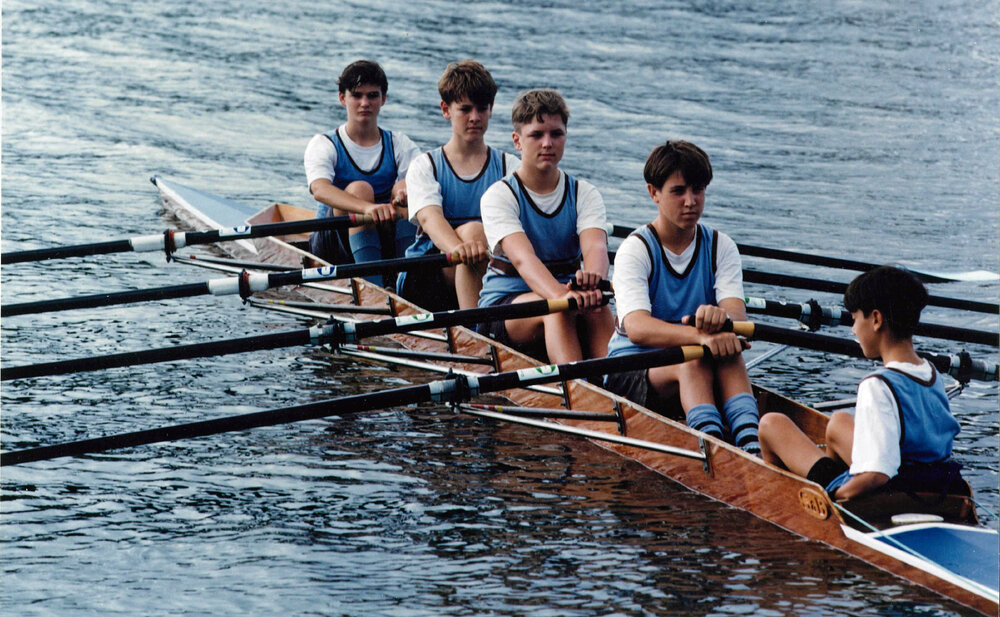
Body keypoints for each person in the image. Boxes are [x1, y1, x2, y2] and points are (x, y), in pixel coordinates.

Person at [604, 140, 760, 454]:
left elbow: (737, 317)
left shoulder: (721, 246)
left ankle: (750, 445)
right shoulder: (636, 249)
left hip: (694, 358)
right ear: (654, 193)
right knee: (694, 360)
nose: (691, 202)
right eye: (678, 191)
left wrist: (723, 322)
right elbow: (637, 327)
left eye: (698, 190)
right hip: (632, 367)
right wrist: (698, 337)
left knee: (729, 350)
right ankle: (713, 449)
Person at [759, 266, 962, 501]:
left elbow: (877, 474)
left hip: (886, 494)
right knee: (839, 422)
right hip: (931, 483)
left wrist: (833, 496)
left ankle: (783, 503)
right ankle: (836, 474)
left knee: (771, 424)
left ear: (876, 319)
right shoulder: (932, 373)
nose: (853, 329)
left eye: (855, 319)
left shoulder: (877, 385)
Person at [477, 89, 613, 364]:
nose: (548, 143)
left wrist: (594, 285)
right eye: (537, 135)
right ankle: (578, 390)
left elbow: (595, 249)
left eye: (556, 134)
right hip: (505, 306)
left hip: (565, 295)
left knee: (598, 306)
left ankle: (618, 389)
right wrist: (565, 297)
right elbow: (523, 259)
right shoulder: (499, 195)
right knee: (557, 309)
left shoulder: (585, 193)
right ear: (517, 141)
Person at [397, 60, 519, 311]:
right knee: (474, 232)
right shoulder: (425, 165)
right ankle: (477, 333)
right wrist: (462, 250)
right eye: (465, 109)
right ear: (446, 110)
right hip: (425, 275)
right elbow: (431, 220)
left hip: (488, 266)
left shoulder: (510, 166)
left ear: (491, 109)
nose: (475, 117)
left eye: (482, 108)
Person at [303, 60, 421, 286]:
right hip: (331, 246)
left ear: (383, 99)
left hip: (382, 239)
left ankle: (407, 281)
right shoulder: (324, 143)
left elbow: (424, 182)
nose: (364, 103)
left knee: (406, 188)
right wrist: (368, 208)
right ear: (342, 98)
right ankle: (374, 289)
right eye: (357, 95)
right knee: (360, 189)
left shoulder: (399, 143)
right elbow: (319, 190)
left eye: (372, 95)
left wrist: (405, 193)